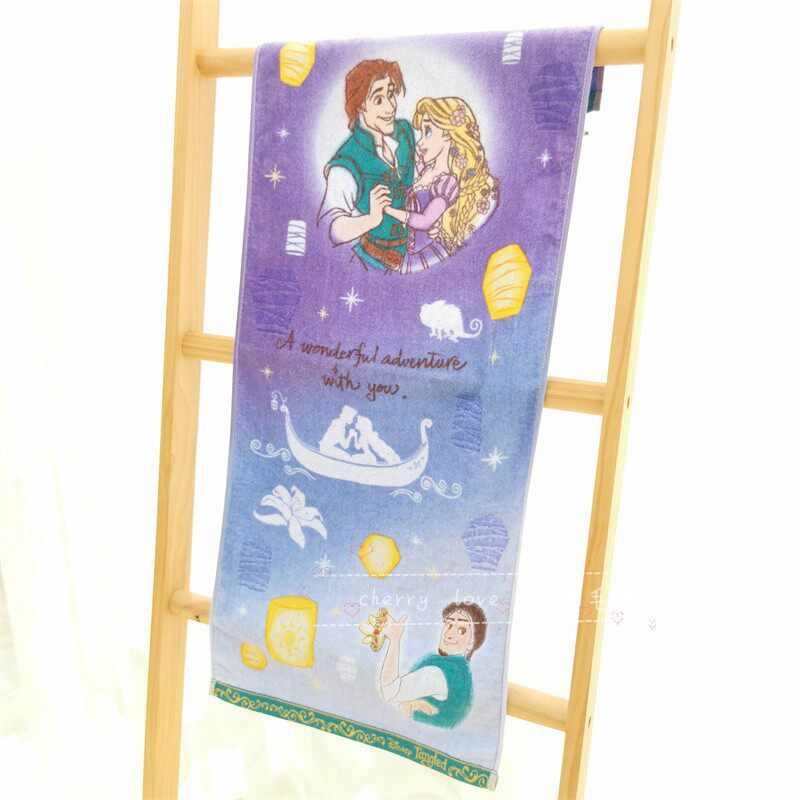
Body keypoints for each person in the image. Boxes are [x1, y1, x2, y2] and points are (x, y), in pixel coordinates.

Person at [318, 60, 415, 272]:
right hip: (371, 264)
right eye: (378, 99)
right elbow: (332, 229)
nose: (390, 107)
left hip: (413, 257)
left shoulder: (406, 132)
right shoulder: (346, 163)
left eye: (391, 94)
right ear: (360, 104)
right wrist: (371, 219)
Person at [384, 97, 498, 272]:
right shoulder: (423, 171)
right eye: (421, 133)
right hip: (409, 251)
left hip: (427, 255)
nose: (421, 142)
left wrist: (389, 211)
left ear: (447, 134)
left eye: (428, 132)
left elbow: (425, 221)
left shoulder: (447, 182)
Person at [379, 602, 487, 728]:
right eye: (448, 625)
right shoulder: (461, 671)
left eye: (461, 630)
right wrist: (410, 702)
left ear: (473, 641)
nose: (448, 635)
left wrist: (395, 639)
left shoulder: (439, 672)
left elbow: (389, 690)